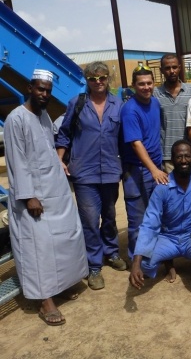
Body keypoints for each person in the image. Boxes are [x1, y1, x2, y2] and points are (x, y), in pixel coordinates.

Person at [4, 69, 88, 326]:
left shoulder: (43, 117)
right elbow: (17, 161)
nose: (44, 95)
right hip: (33, 196)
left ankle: (62, 283)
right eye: (40, 89)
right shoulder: (15, 119)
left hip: (55, 190)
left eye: (48, 91)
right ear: (30, 88)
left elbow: (48, 151)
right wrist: (29, 197)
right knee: (38, 247)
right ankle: (45, 301)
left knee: (64, 239)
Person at [56, 61, 126, 291]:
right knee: (89, 220)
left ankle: (112, 252)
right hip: (84, 173)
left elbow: (125, 138)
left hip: (110, 170)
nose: (98, 82)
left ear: (108, 79)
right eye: (93, 79)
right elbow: (64, 134)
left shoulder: (118, 105)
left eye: (102, 78)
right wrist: (60, 158)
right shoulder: (77, 103)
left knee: (109, 216)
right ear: (86, 80)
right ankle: (94, 265)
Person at [129, 140, 191, 289]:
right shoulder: (162, 187)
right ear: (172, 159)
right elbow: (150, 223)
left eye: (187, 156)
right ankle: (168, 262)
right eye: (179, 157)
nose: (184, 161)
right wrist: (136, 262)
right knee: (144, 265)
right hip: (168, 237)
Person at [120, 65, 169, 263]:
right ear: (133, 85)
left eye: (149, 83)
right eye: (141, 84)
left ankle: (156, 253)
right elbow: (135, 143)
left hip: (155, 167)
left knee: (157, 214)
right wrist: (154, 170)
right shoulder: (130, 110)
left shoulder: (155, 103)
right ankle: (137, 261)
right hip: (137, 170)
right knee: (138, 219)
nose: (146, 87)